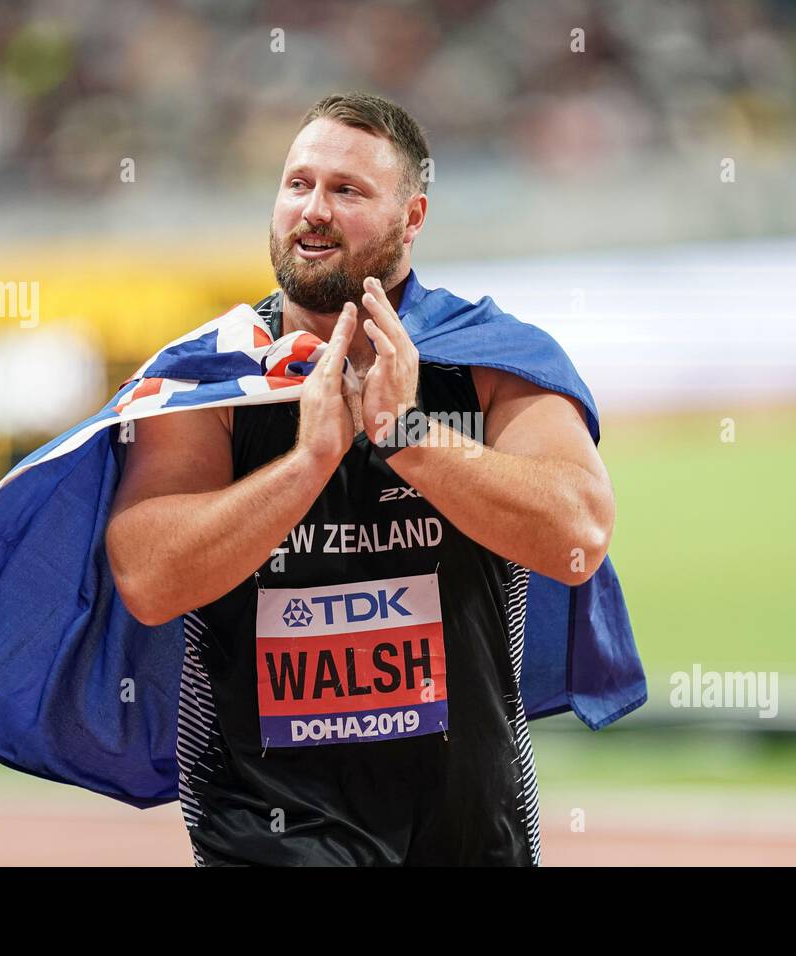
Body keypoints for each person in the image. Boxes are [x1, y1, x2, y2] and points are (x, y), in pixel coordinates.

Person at [102, 91, 617, 866]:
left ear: (412, 219)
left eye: (347, 191)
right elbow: (147, 577)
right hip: (268, 830)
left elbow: (578, 537)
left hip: (469, 827)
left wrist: (407, 437)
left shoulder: (487, 357)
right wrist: (306, 465)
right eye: (297, 184)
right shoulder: (209, 380)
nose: (313, 210)